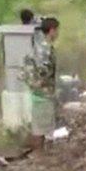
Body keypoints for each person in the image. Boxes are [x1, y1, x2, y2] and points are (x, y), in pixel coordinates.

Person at [20, 17, 59, 151]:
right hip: (43, 92)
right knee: (41, 127)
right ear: (52, 30)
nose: (58, 34)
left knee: (41, 125)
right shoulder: (44, 48)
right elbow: (44, 72)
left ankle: (40, 152)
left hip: (39, 91)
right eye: (57, 30)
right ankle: (39, 155)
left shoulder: (38, 43)